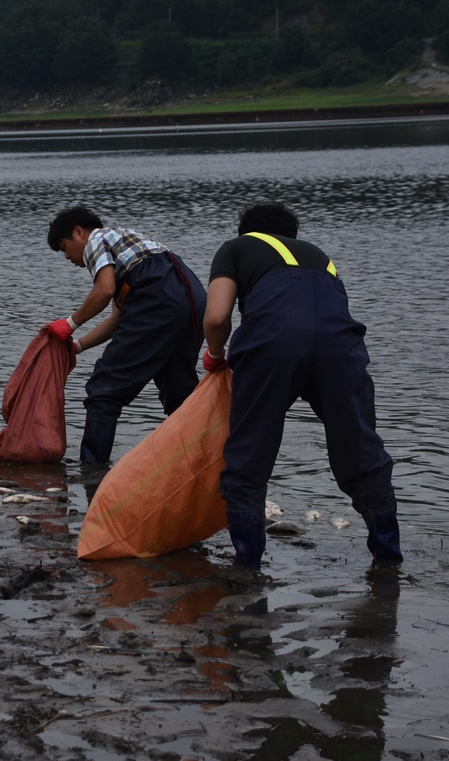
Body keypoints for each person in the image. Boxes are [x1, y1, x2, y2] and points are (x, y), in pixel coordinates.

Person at [202, 202, 402, 570]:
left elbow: (216, 316)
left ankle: (247, 567)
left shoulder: (235, 248)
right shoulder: (318, 256)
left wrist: (214, 355)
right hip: (341, 350)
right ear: (289, 234)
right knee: (360, 451)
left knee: (248, 457)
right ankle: (389, 561)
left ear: (247, 231)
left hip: (272, 345)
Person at [45, 206, 207, 465]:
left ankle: (92, 471)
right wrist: (77, 346)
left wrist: (69, 323)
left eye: (64, 248)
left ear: (79, 232)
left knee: (103, 391)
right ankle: (203, 460)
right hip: (191, 299)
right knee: (180, 395)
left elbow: (105, 289)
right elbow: (118, 321)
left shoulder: (97, 239)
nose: (67, 257)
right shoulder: (132, 250)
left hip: (159, 298)